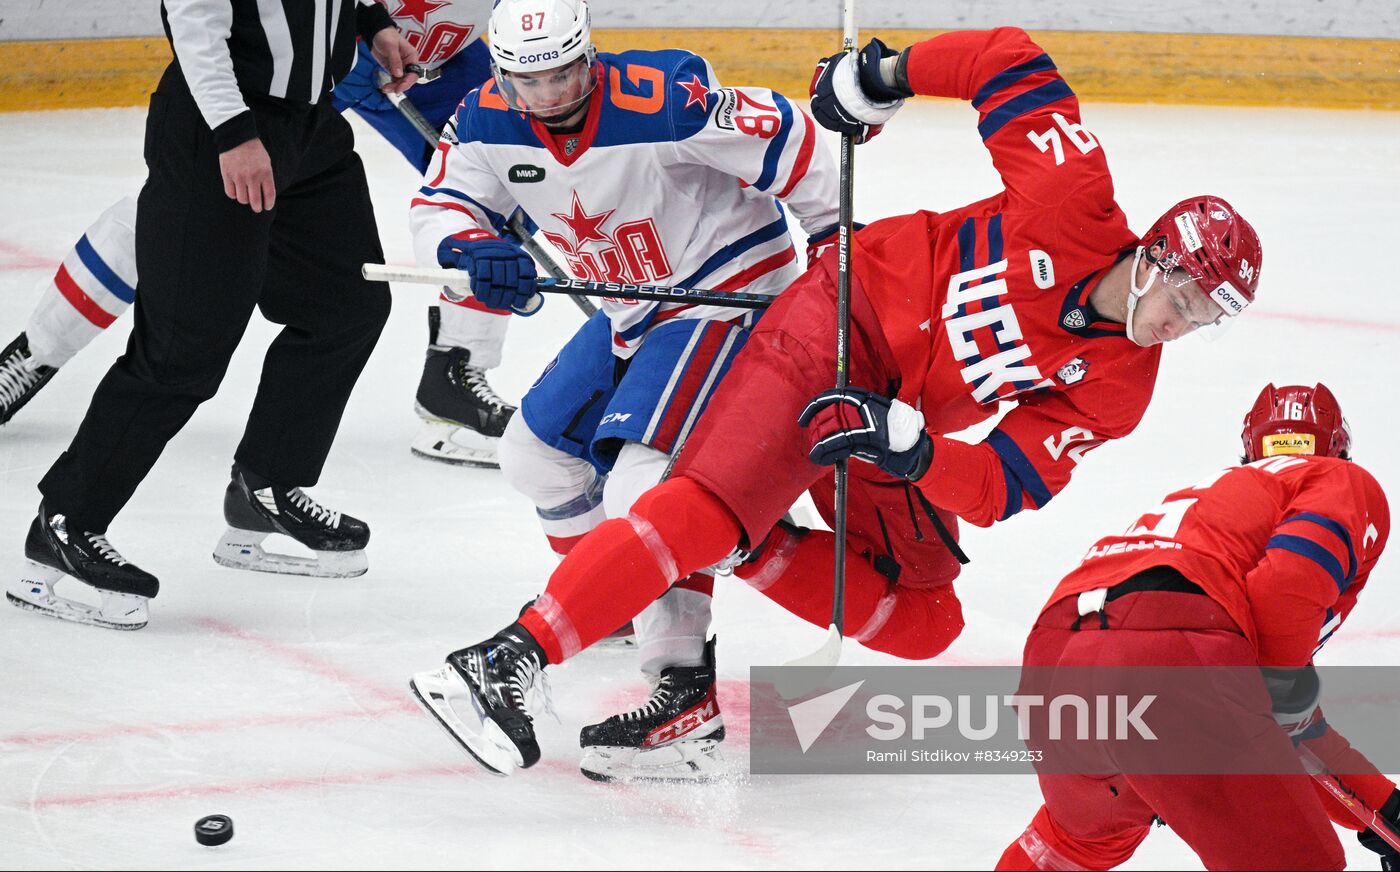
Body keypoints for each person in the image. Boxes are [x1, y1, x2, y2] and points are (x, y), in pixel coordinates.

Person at [405, 26, 1268, 777]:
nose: (1180, 326)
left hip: (890, 429)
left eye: (1204, 320)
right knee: (698, 505)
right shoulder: (1075, 199)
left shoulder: (1120, 390)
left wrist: (921, 454)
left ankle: (732, 552)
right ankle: (508, 660)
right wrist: (886, 74)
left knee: (928, 620)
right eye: (1186, 300)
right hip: (834, 322)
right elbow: (1009, 63)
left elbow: (1006, 484)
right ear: (1158, 256)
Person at [407, 0, 840, 779]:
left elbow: (796, 145)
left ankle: (683, 696)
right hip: (631, 306)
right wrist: (470, 245)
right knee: (535, 459)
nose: (547, 96)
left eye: (565, 73)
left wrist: (843, 256)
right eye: (526, 81)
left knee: (645, 488)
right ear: (502, 74)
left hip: (726, 295)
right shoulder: (482, 118)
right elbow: (442, 204)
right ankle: (609, 598)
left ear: (591, 56)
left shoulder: (664, 97)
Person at [5, 0, 418, 631]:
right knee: (183, 351)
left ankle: (266, 488)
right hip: (219, 130)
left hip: (310, 129)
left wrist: (370, 22)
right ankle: (67, 522)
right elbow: (193, 15)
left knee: (347, 304)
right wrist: (233, 132)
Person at [0, 1, 524, 469]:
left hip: (439, 51)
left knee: (506, 179)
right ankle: (37, 353)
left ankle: (456, 370)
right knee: (181, 211)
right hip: (315, 46)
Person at [996, 382, 1394, 870]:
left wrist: (1382, 808)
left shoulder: (1220, 502)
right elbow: (1287, 588)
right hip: (1169, 649)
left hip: (1057, 657)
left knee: (1075, 844)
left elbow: (1275, 712)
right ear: (1340, 450)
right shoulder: (1339, 481)